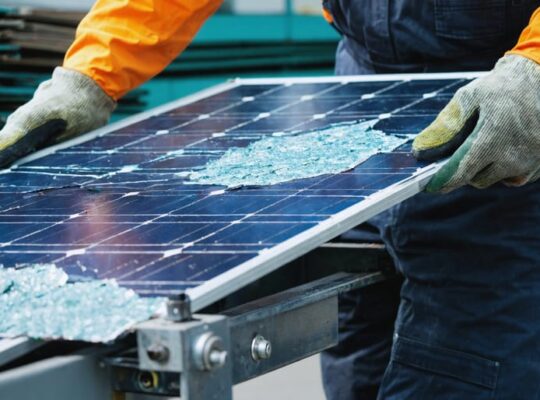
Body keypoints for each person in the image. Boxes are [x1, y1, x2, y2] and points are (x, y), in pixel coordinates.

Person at [1, 1, 539, 398]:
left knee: (466, 366)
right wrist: (91, 75)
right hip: (366, 95)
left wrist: (534, 72)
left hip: (505, 110)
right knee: (356, 356)